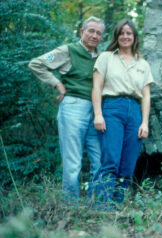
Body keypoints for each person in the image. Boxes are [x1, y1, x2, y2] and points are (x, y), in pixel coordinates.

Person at [28, 16, 105, 203]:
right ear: (82, 32)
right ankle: (71, 206)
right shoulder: (68, 50)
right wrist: (57, 84)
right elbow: (36, 64)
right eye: (91, 31)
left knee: (100, 160)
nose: (94, 36)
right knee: (73, 160)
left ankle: (97, 203)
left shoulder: (103, 57)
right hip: (73, 108)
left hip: (96, 112)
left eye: (98, 33)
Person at [92, 19, 153, 208]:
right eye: (122, 33)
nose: (125, 36)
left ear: (134, 37)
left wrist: (144, 122)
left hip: (134, 111)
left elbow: (146, 96)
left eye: (129, 33)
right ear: (116, 36)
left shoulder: (142, 63)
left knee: (127, 164)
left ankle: (116, 206)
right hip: (112, 108)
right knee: (111, 159)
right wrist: (98, 114)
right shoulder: (106, 57)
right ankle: (102, 206)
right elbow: (97, 87)